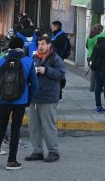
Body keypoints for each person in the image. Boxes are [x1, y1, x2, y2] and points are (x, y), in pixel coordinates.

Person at [0, 36, 38, 171]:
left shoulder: (2, 60)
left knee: (1, 128)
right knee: (15, 130)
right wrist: (29, 99)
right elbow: (34, 84)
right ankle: (11, 161)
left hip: (4, 99)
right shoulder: (28, 61)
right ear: (22, 47)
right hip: (21, 101)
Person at [26, 33, 65, 163]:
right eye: (39, 44)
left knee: (48, 126)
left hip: (48, 97)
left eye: (43, 44)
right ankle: (37, 151)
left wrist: (46, 70)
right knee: (34, 126)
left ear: (49, 45)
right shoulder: (35, 57)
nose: (40, 46)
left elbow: (60, 74)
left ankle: (54, 152)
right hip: (34, 97)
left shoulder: (55, 58)